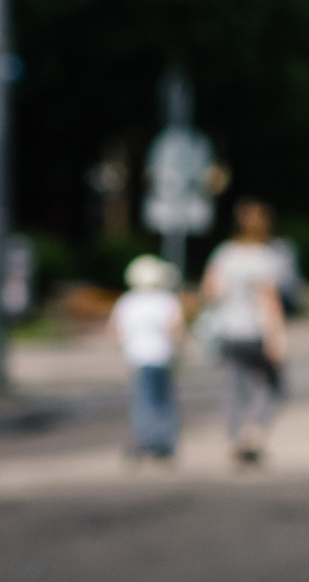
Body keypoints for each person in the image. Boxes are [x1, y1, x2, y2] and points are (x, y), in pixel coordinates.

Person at [203, 199, 288, 467]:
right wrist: (277, 336)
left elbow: (210, 292)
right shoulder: (267, 256)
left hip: (229, 330)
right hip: (256, 331)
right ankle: (254, 434)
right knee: (275, 386)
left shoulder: (225, 254)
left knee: (234, 387)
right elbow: (269, 300)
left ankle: (235, 437)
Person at [109, 254, 185, 462]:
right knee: (164, 401)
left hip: (138, 359)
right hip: (163, 357)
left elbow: (116, 330)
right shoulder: (167, 300)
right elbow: (176, 330)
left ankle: (144, 440)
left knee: (142, 401)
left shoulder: (127, 301)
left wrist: (125, 347)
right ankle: (163, 442)